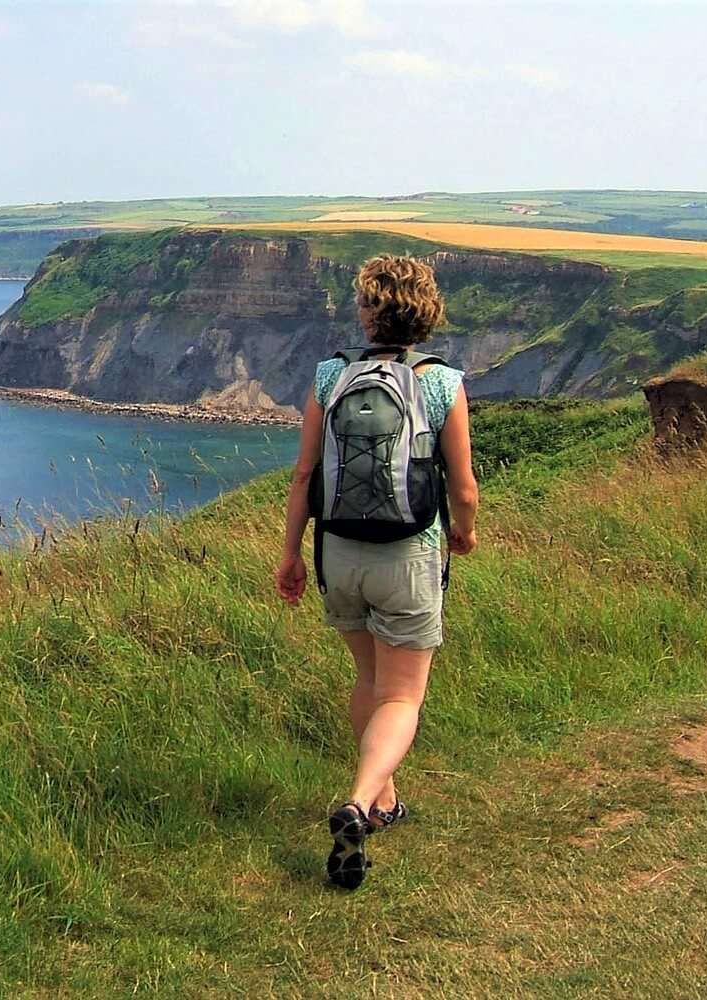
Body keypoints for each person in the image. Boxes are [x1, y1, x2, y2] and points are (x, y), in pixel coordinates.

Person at [273, 254, 480, 891]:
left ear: (367, 310)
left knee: (368, 678)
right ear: (426, 310)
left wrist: (290, 554)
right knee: (401, 695)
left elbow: (305, 474)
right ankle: (361, 803)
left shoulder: (330, 376)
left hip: (339, 551)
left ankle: (384, 802)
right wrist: (464, 535)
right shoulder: (443, 383)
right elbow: (464, 487)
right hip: (409, 553)